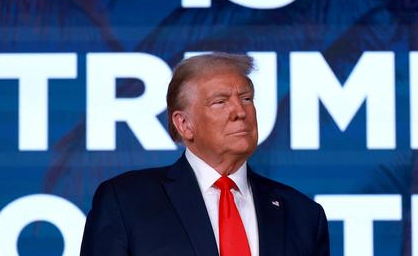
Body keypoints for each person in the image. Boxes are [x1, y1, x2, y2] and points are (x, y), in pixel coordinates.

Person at [80, 53, 330, 256]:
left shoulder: (303, 214)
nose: (239, 111)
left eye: (246, 98)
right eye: (220, 102)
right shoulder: (126, 202)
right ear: (184, 124)